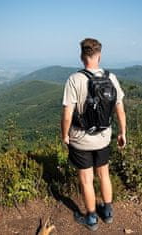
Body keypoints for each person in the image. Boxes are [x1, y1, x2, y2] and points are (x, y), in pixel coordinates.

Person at [61, 38, 126, 231]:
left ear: (82, 56)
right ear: (99, 55)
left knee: (86, 179)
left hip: (81, 139)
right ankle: (107, 212)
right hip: (104, 137)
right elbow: (120, 109)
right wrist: (122, 132)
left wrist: (64, 135)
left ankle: (90, 218)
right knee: (104, 174)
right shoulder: (111, 78)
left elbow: (67, 114)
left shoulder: (74, 79)